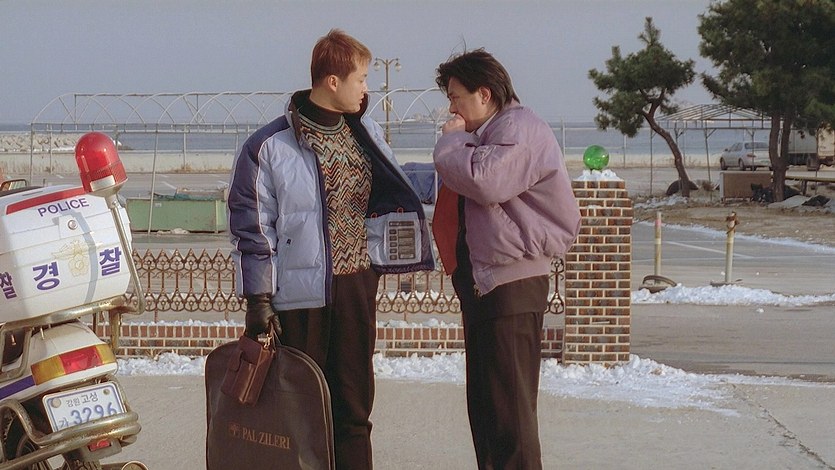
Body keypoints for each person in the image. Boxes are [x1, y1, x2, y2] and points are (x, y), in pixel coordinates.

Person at [227, 29, 434, 469]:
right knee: (301, 412)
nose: (366, 89)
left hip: (357, 287)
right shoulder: (269, 146)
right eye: (360, 78)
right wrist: (258, 301)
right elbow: (253, 229)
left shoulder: (366, 132)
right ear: (333, 81)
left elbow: (389, 196)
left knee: (355, 410)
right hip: (301, 299)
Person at [432, 49, 581, 470]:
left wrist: (451, 142)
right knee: (488, 411)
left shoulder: (518, 128)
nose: (452, 108)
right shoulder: (491, 132)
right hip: (488, 283)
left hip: (511, 284)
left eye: (456, 97)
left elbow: (485, 180)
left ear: (484, 94)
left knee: (509, 416)